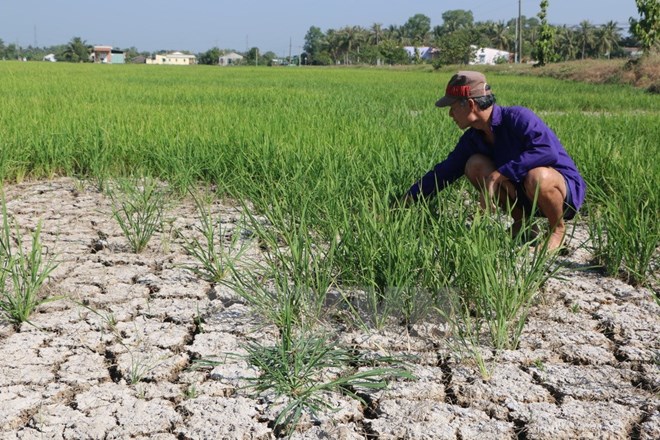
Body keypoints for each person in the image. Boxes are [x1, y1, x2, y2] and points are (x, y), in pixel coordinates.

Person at [404, 71, 585, 251]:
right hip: (523, 194)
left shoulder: (518, 117)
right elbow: (444, 172)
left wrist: (500, 174)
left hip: (560, 193)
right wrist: (404, 201)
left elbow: (548, 152)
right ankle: (524, 224)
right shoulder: (473, 138)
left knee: (539, 176)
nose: (451, 114)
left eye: (453, 107)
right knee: (474, 165)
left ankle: (557, 230)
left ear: (470, 104)